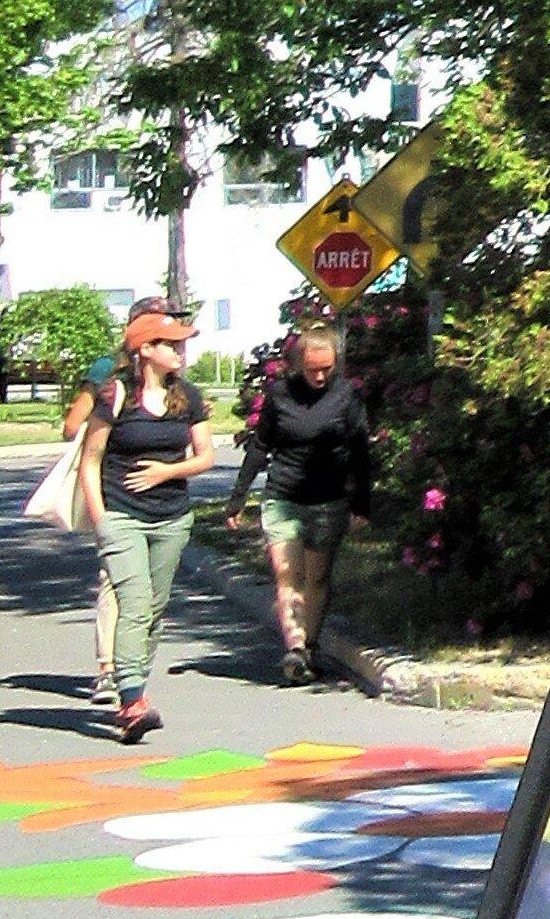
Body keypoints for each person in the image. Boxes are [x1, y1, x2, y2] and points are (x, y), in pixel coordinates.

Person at [60, 297, 209, 743]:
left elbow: (206, 457)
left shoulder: (189, 397)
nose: (180, 352)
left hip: (172, 518)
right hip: (123, 516)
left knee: (155, 610)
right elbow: (90, 459)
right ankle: (131, 701)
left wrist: (169, 471)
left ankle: (134, 687)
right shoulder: (115, 394)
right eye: (170, 344)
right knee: (135, 604)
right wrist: (102, 519)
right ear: (145, 349)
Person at [237, 316, 370, 685]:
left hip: (329, 500)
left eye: (326, 369)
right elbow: (259, 446)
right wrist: (238, 498)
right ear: (298, 365)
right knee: (286, 573)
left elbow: (361, 452)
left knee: (317, 576)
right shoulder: (281, 396)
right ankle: (294, 648)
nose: (320, 377)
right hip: (284, 495)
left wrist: (362, 504)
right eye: (312, 370)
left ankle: (310, 646)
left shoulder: (346, 397)